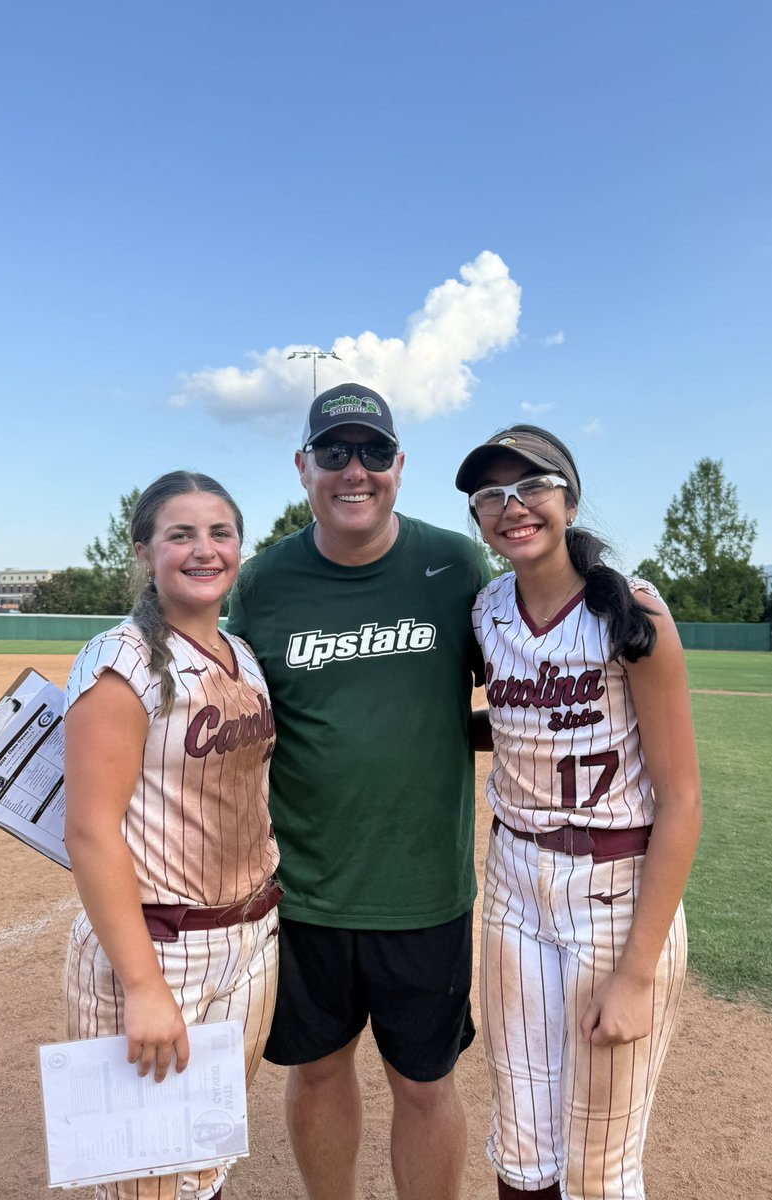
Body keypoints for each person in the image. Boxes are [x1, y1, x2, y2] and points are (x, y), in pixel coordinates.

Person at [227, 382, 491, 1200]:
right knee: (315, 1073)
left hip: (425, 892)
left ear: (400, 466)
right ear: (303, 466)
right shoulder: (264, 583)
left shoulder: (456, 565)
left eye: (374, 452)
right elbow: (226, 712)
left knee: (424, 1085)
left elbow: (513, 691)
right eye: (334, 452)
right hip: (304, 893)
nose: (355, 470)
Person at [454, 426, 701, 1200]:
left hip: (615, 888)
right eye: (489, 495)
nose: (510, 506)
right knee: (521, 1146)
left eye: (530, 486)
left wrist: (634, 975)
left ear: (568, 497)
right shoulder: (486, 611)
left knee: (597, 1160)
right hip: (515, 882)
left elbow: (683, 799)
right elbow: (515, 723)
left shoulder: (633, 616)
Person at [62, 470, 281, 1200]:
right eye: (180, 534)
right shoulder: (121, 661)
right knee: (140, 1183)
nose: (204, 549)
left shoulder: (241, 656)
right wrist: (143, 986)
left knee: (202, 1164)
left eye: (220, 533)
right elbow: (90, 831)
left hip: (248, 939)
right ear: (144, 552)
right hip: (157, 947)